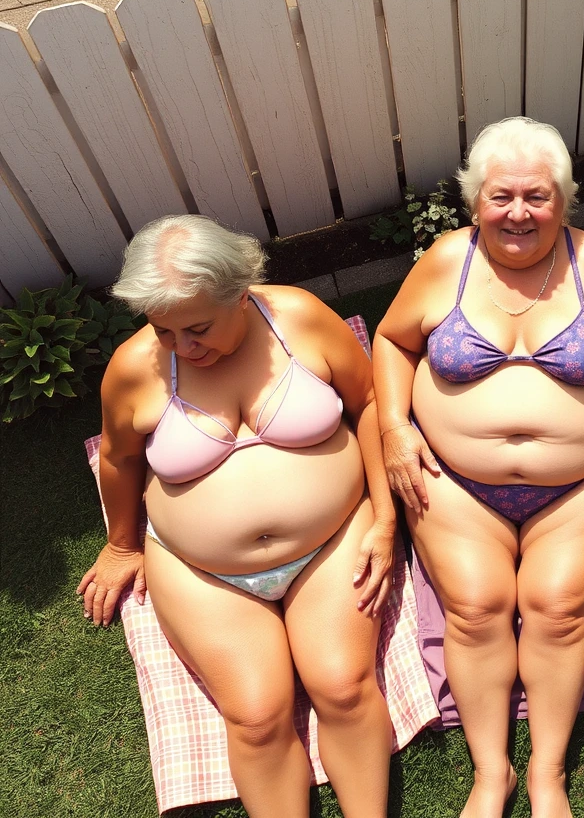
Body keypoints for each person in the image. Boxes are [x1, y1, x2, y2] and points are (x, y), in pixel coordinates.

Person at [373, 117, 584, 818]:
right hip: (457, 485)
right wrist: (394, 428)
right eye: (501, 196)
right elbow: (391, 342)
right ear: (475, 201)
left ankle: (547, 775)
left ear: (563, 201)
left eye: (537, 197)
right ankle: (491, 775)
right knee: (476, 607)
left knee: (557, 606)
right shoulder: (446, 262)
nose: (518, 213)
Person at [76, 215, 394, 818]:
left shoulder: (298, 318)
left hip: (330, 543)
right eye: (162, 330)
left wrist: (384, 516)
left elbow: (372, 403)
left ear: (241, 293)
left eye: (197, 328)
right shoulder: (134, 367)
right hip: (202, 571)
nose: (182, 347)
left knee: (343, 687)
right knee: (255, 716)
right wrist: (122, 544)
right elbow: (117, 459)